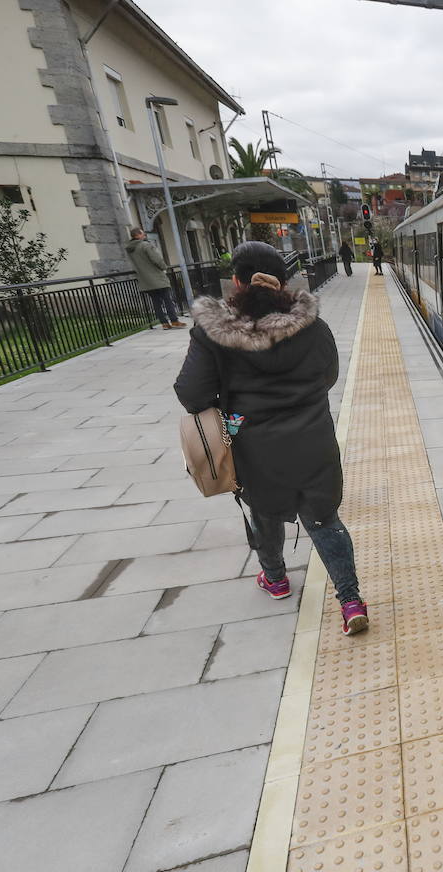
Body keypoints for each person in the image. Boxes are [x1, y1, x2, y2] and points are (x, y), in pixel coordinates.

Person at [173, 241, 369, 635]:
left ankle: (275, 579)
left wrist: (237, 405)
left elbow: (192, 393)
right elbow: (328, 375)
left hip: (250, 437)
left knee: (263, 508)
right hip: (312, 434)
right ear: (283, 281)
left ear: (235, 281)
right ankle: (350, 601)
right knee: (323, 517)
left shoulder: (212, 333)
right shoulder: (313, 325)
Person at [126, 228, 186, 329]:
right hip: (157, 278)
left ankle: (164, 323)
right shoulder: (145, 245)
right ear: (138, 235)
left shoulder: (130, 249)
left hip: (145, 280)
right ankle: (174, 321)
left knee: (156, 302)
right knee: (168, 300)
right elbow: (156, 259)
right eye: (142, 233)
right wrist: (164, 267)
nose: (144, 234)